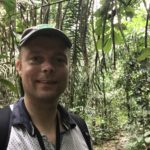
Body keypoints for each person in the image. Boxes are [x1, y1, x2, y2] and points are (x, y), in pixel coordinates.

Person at [0, 24, 92, 150]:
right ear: (19, 67)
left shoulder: (80, 128)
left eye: (59, 60)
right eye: (36, 58)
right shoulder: (4, 128)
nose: (48, 68)